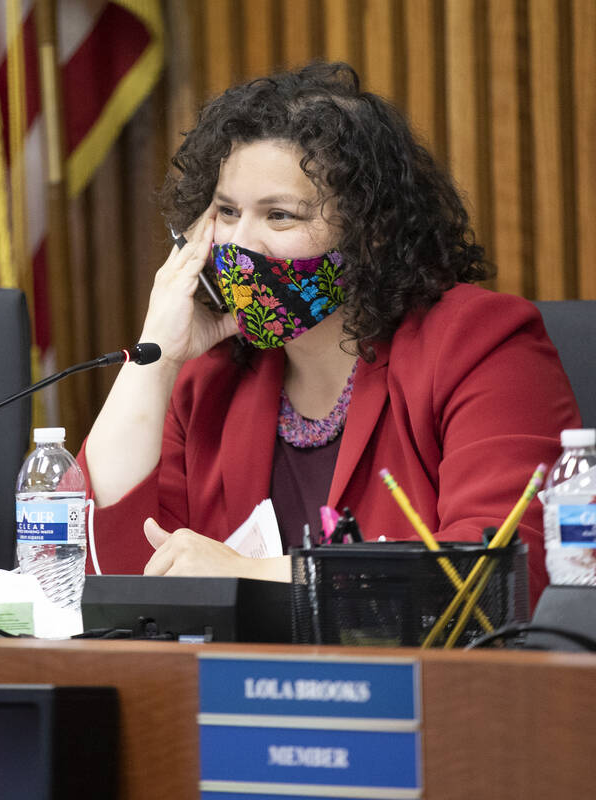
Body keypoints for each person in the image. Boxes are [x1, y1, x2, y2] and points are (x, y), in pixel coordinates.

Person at [81, 62, 580, 604]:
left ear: (372, 232)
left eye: (280, 216)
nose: (241, 244)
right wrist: (156, 359)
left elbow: (501, 576)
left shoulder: (480, 342)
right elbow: (106, 574)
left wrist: (258, 575)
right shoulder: (211, 378)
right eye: (226, 212)